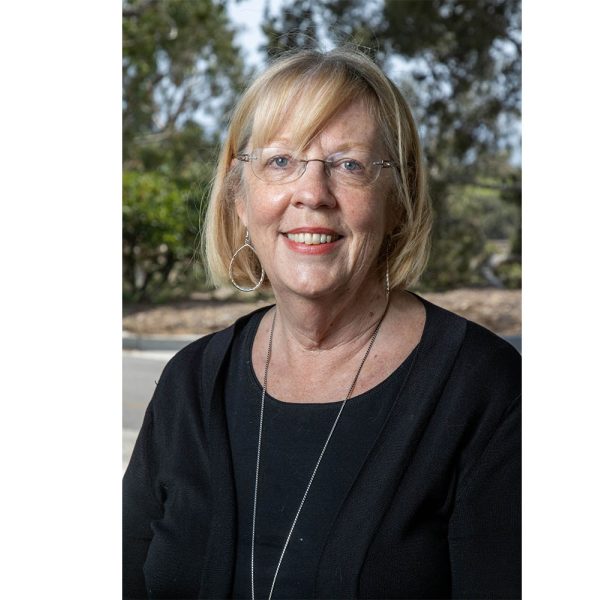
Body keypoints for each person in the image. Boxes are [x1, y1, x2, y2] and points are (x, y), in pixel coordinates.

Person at [123, 46, 521, 599]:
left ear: (398, 199)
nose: (312, 193)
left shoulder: (486, 389)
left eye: (349, 164)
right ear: (239, 197)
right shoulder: (190, 383)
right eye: (280, 161)